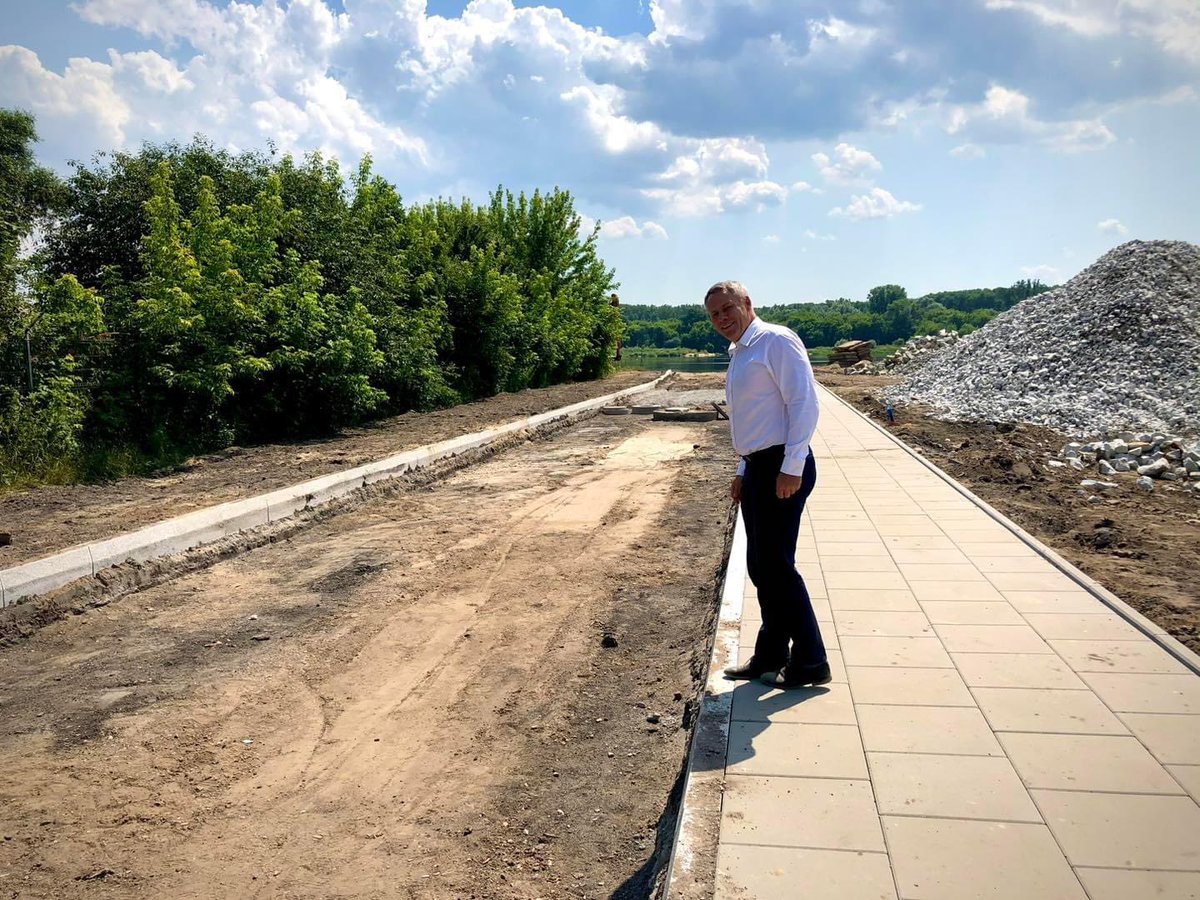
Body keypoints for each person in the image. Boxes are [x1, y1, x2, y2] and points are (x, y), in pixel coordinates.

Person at [704, 281, 830, 688]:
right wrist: (744, 471)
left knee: (776, 566)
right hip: (759, 467)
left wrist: (792, 466)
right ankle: (771, 653)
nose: (722, 319)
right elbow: (752, 417)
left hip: (782, 466)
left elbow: (803, 403)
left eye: (727, 309)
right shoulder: (740, 351)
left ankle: (811, 659)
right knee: (760, 566)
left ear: (747, 303)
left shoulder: (775, 341)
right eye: (714, 314)